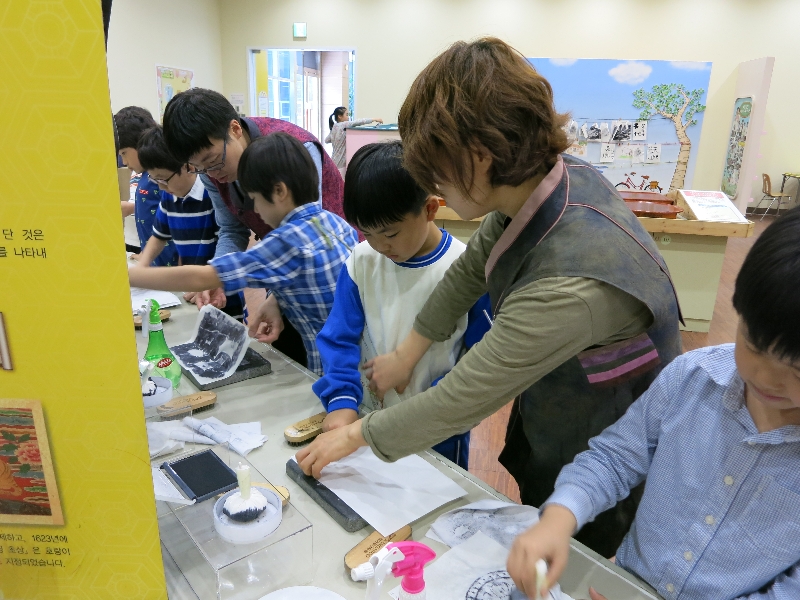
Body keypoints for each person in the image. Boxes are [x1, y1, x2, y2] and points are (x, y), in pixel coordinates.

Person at [296, 37, 682, 558]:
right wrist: (409, 354)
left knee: (586, 552)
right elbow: (471, 272)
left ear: (478, 157)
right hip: (561, 398)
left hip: (607, 436)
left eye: (434, 167)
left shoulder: (573, 283)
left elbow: (463, 398)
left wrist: (353, 436)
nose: (429, 184)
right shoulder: (532, 187)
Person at [507, 207, 800, 600]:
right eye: (753, 345)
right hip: (625, 584)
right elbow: (614, 458)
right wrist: (561, 515)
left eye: (797, 372)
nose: (765, 377)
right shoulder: (692, 377)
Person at [313, 141, 487, 469]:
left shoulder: (466, 270)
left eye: (390, 234)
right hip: (363, 425)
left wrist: (429, 413)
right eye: (366, 233)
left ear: (430, 209)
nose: (379, 246)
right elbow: (339, 339)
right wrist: (341, 404)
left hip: (436, 438)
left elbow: (477, 365)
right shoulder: (360, 263)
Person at [129, 133, 358, 376]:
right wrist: (277, 300)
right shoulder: (335, 223)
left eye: (255, 200)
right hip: (357, 355)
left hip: (332, 370)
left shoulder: (284, 242)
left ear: (279, 191)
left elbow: (202, 278)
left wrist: (130, 277)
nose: (256, 211)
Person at [162, 88, 345, 367]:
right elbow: (232, 230)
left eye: (213, 162)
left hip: (331, 281)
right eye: (198, 168)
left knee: (331, 360)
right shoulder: (214, 172)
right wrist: (219, 279)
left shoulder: (296, 148)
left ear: (234, 129)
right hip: (288, 278)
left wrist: (216, 276)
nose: (212, 174)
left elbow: (303, 241)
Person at [135, 125, 244, 320]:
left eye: (164, 179)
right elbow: (158, 237)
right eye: (155, 180)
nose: (162, 187)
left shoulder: (212, 196)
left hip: (220, 292)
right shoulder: (169, 197)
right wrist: (142, 266)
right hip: (192, 293)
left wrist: (208, 282)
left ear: (189, 166)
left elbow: (229, 242)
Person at [114, 106, 178, 266]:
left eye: (124, 153)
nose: (124, 162)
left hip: (171, 263)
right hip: (153, 260)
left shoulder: (161, 177)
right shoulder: (143, 175)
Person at [324, 107, 383, 177]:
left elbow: (327, 140)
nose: (348, 117)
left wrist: (336, 138)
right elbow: (359, 122)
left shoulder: (334, 127)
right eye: (346, 114)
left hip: (333, 160)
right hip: (341, 163)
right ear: (339, 116)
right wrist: (374, 119)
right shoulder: (343, 125)